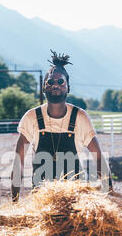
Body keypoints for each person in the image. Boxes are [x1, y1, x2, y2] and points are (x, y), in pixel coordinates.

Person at [11, 50, 112, 202]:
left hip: (75, 201)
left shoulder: (80, 117)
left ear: (68, 87)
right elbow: (18, 161)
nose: (55, 85)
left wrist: (110, 195)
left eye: (61, 82)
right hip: (41, 201)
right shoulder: (32, 117)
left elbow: (98, 158)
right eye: (50, 82)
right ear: (44, 87)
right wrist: (14, 202)